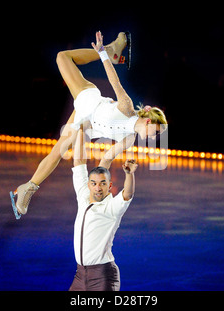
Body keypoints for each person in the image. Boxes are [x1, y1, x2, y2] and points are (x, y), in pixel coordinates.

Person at [10, 31, 167, 219]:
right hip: (88, 98)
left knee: (57, 151)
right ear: (149, 121)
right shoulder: (127, 107)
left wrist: (97, 187)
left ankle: (27, 190)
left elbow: (106, 160)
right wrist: (101, 53)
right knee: (62, 57)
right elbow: (114, 81)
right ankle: (110, 51)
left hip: (84, 120)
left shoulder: (130, 139)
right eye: (156, 133)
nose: (153, 138)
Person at [69, 127, 137, 291]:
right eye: (94, 183)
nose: (98, 188)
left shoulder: (112, 207)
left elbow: (128, 193)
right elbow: (79, 162)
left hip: (103, 276)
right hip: (79, 275)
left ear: (110, 186)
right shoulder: (83, 196)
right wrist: (80, 129)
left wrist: (129, 174)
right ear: (89, 185)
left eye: (103, 184)